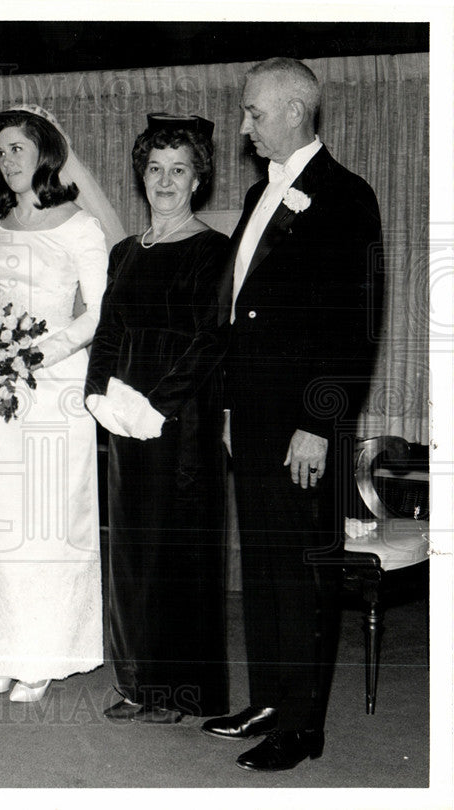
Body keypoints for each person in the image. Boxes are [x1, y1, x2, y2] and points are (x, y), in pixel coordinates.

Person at [202, 58, 382, 771]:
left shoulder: (344, 197)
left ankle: (305, 727)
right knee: (267, 565)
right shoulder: (258, 197)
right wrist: (223, 404)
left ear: (296, 112)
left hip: (304, 422)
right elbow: (236, 314)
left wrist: (318, 420)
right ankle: (272, 698)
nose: (244, 126)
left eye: (254, 112)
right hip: (248, 414)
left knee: (305, 568)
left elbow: (355, 326)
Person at [85, 113, 230, 724]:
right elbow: (109, 330)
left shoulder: (214, 251)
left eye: (179, 170)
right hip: (124, 421)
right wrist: (98, 393)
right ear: (141, 176)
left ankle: (181, 691)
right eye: (154, 169)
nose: (165, 181)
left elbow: (208, 341)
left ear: (198, 180)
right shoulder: (124, 253)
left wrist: (157, 405)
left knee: (180, 555)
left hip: (181, 422)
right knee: (132, 555)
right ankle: (138, 681)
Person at [0, 106, 110, 703]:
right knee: (1, 517)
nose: (9, 161)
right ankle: (3, 649)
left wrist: (41, 352)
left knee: (48, 518)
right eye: (0, 152)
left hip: (56, 384)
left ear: (46, 152)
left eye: (19, 148)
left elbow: (102, 310)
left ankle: (45, 656)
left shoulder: (79, 225)